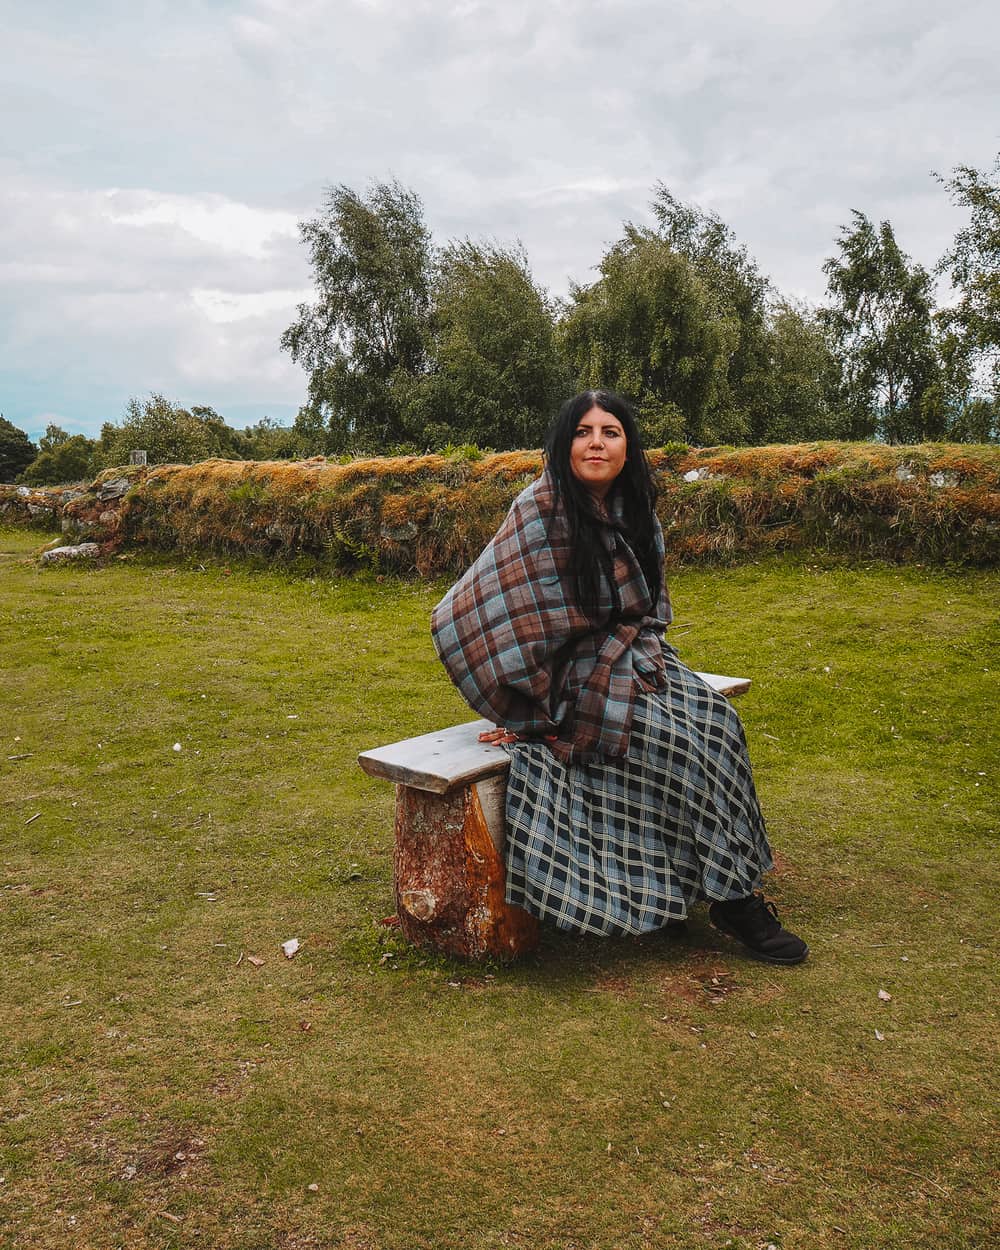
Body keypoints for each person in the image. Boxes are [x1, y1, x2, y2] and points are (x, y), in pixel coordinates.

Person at [431, 390, 808, 965]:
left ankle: (711, 883)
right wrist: (527, 704)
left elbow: (649, 605)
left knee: (717, 723)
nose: (596, 443)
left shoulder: (637, 509)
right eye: (583, 432)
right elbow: (477, 608)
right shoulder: (539, 510)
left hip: (632, 654)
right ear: (564, 445)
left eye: (610, 432)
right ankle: (734, 901)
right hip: (566, 676)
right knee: (674, 745)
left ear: (628, 448)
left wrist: (638, 651)